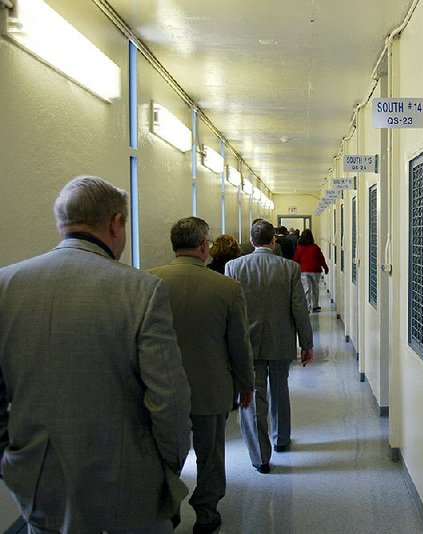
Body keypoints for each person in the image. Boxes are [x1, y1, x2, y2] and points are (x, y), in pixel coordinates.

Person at [0, 176, 192, 533]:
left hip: (39, 480)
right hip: (128, 480)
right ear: (116, 223)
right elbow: (169, 400)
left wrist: (13, 461)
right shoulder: (141, 290)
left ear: (62, 224)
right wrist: (167, 467)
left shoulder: (6, 284)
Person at [148, 217, 254, 534]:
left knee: (163, 456)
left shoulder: (149, 282)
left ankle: (166, 514)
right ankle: (206, 513)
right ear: (203, 246)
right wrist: (246, 384)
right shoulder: (226, 287)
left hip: (160, 389)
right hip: (212, 387)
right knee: (209, 456)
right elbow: (239, 344)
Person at [225, 221, 313, 472]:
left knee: (252, 396)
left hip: (246, 344)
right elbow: (299, 309)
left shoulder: (233, 267)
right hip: (280, 341)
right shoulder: (290, 269)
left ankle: (260, 457)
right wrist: (306, 343)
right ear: (273, 241)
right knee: (280, 390)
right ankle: (281, 440)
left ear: (252, 241)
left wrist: (228, 346)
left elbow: (229, 311)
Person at [293, 228, 329, 312]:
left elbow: (295, 259)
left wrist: (295, 270)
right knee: (315, 288)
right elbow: (321, 258)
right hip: (315, 270)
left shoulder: (300, 248)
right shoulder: (315, 247)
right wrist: (325, 267)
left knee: (307, 289)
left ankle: (307, 307)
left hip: (304, 271)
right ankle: (315, 306)